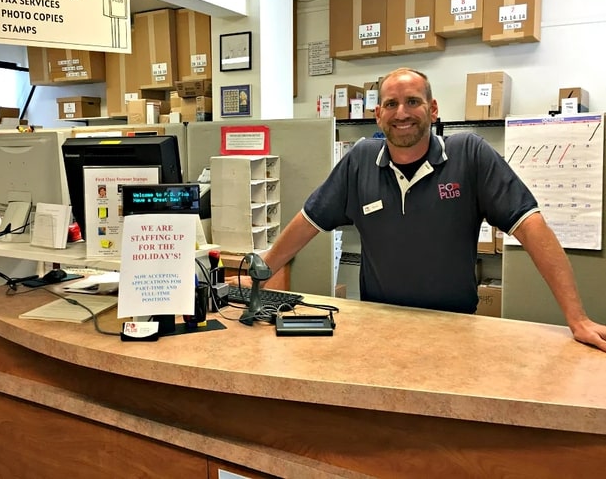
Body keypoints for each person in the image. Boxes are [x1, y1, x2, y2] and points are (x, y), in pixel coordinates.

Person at [232, 67, 606, 352]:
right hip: (377, 327)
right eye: (391, 104)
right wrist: (262, 271)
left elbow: (531, 226)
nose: (402, 113)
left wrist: (577, 318)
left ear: (433, 108)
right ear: (378, 114)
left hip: (455, 328)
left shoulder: (470, 155)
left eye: (413, 101)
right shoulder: (360, 161)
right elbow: (308, 221)